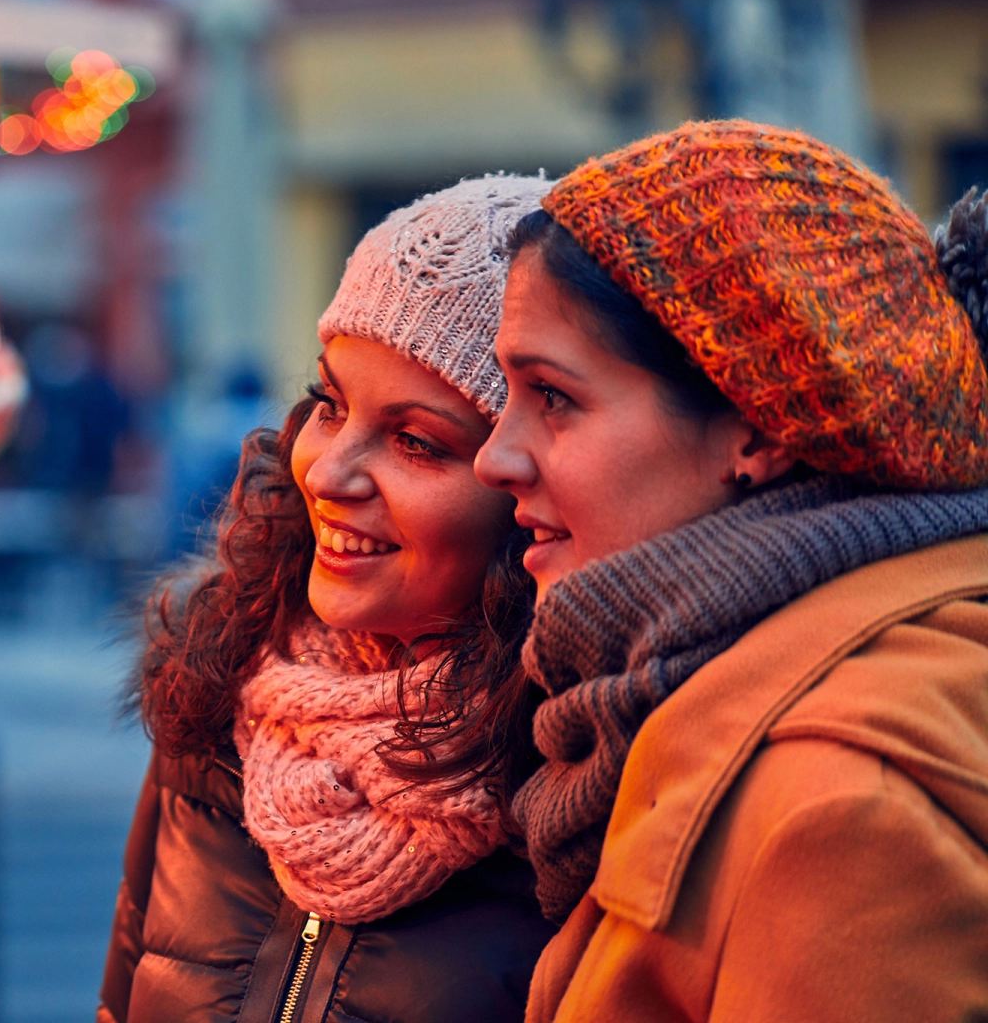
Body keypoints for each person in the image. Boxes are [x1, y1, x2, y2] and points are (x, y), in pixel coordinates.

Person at [475, 120, 988, 1021]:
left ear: (756, 429)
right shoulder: (709, 698)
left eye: (552, 396)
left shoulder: (839, 807)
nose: (494, 458)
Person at [99, 177, 558, 1023]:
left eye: (416, 442)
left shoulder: (578, 792)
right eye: (330, 405)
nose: (329, 473)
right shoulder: (219, 696)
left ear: (531, 493)